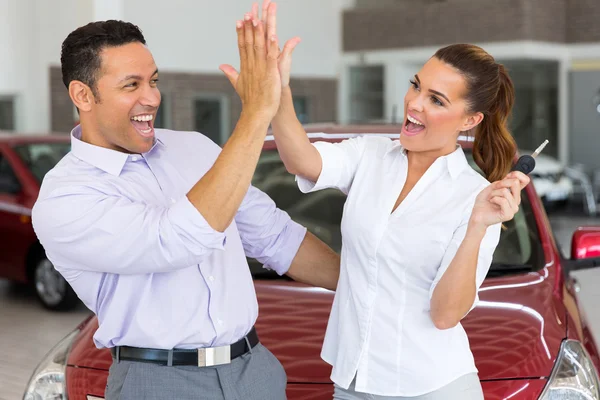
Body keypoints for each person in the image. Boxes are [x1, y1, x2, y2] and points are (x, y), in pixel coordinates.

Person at [221, 3, 531, 399]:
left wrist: (476, 226)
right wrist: (278, 91)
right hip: (353, 382)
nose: (415, 103)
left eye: (437, 100)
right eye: (416, 85)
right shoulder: (370, 156)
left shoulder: (474, 199)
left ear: (470, 121)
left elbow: (445, 314)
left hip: (433, 388)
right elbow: (302, 160)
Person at [32, 11, 340, 400]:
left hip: (254, 370)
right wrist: (257, 113)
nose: (152, 97)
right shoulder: (65, 197)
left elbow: (274, 236)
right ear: (82, 95)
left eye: (153, 81)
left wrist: (370, 286)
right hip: (159, 382)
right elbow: (178, 239)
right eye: (132, 84)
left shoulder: (194, 147)